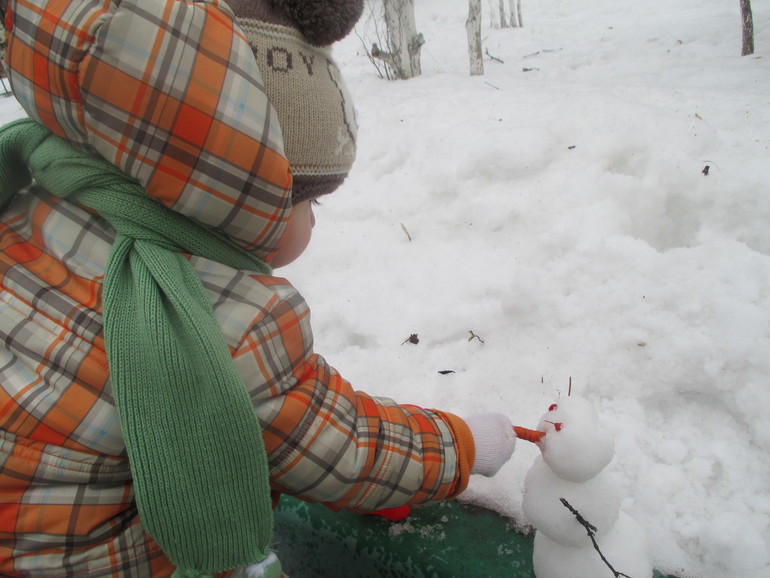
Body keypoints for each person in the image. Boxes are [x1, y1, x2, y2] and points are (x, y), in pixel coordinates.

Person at [0, 0, 518, 576]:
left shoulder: (28, 202)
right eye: (307, 200)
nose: (315, 222)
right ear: (234, 197)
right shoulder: (224, 318)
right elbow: (344, 448)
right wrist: (465, 446)